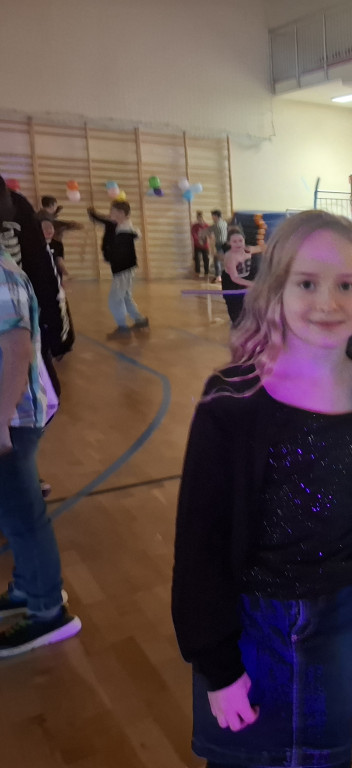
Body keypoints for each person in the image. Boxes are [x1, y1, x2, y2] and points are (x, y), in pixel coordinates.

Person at [171, 210, 352, 768]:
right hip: (250, 629)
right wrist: (217, 667)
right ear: (276, 290)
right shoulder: (232, 400)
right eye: (307, 283)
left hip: (345, 625)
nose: (327, 302)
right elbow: (200, 543)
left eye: (346, 285)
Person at [0, 240, 81, 658]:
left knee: (23, 516)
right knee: (14, 514)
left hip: (12, 420)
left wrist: (0, 422)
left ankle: (48, 612)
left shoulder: (2, 274)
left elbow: (16, 349)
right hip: (9, 418)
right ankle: (29, 588)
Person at [1, 176, 73, 393]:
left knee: (33, 382)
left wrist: (57, 330)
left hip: (17, 313)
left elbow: (42, 268)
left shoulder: (17, 206)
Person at [88, 201, 148, 338]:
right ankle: (140, 320)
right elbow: (105, 220)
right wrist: (94, 215)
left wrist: (108, 255)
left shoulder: (124, 232)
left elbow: (118, 251)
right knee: (125, 296)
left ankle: (122, 327)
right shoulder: (120, 226)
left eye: (112, 212)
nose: (110, 214)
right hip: (124, 268)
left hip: (123, 269)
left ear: (121, 214)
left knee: (115, 299)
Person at [220, 227, 258, 326]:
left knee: (250, 307)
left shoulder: (248, 250)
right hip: (232, 284)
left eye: (240, 241)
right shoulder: (230, 257)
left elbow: (262, 248)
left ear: (244, 240)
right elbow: (234, 278)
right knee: (236, 309)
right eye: (234, 241)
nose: (238, 244)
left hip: (246, 279)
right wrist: (252, 284)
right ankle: (237, 324)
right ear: (229, 243)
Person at [210, 210, 228, 282]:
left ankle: (218, 276)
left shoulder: (216, 225)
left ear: (216, 216)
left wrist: (212, 248)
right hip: (226, 243)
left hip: (220, 244)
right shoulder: (225, 223)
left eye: (213, 216)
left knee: (217, 259)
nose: (212, 218)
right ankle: (223, 275)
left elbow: (212, 237)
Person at [191, 211, 211, 277]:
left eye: (201, 218)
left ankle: (206, 272)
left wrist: (207, 238)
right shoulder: (195, 226)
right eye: (199, 218)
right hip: (197, 245)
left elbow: (209, 234)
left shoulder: (207, 226)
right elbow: (193, 234)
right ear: (197, 218)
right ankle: (197, 272)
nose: (200, 220)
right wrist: (198, 240)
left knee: (206, 259)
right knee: (197, 259)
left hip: (205, 245)